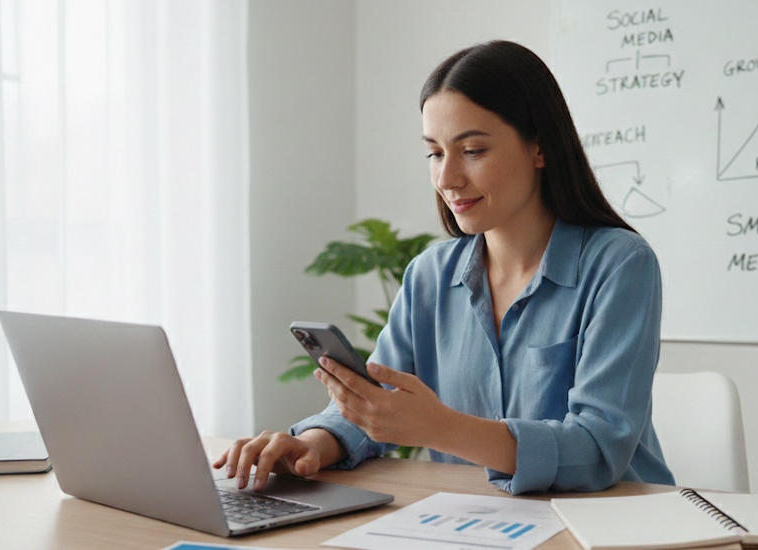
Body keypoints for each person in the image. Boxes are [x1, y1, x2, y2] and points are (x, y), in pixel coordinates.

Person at [215, 40, 674, 495]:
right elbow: (379, 404)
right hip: (474, 520)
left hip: (613, 521)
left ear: (539, 147)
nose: (447, 178)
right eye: (434, 153)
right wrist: (311, 445)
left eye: (472, 150)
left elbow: (597, 449)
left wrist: (440, 427)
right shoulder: (429, 275)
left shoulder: (620, 264)